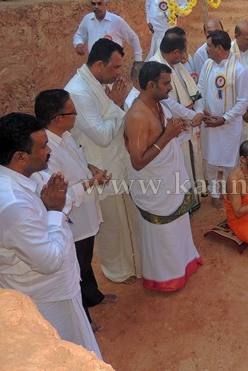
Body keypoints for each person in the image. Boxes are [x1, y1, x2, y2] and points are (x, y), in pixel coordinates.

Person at [0, 113, 102, 358]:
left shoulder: (2, 170)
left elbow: (53, 196)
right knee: (68, 353)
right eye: (43, 146)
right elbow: (49, 262)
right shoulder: (12, 205)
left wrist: (55, 205)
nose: (50, 150)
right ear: (20, 157)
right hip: (46, 295)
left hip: (45, 286)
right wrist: (54, 212)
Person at [35, 89, 118, 332]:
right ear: (58, 119)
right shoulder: (46, 151)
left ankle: (93, 296)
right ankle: (84, 319)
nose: (77, 115)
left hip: (87, 213)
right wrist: (91, 182)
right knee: (77, 268)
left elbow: (79, 162)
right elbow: (59, 193)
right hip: (74, 220)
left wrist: (91, 169)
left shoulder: (66, 135)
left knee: (85, 261)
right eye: (72, 111)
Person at [65, 38, 143, 284]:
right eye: (116, 67)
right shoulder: (78, 91)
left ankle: (134, 265)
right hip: (100, 168)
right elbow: (101, 136)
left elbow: (110, 120)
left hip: (116, 164)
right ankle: (117, 271)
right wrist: (115, 104)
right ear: (99, 64)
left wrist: (112, 105)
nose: (120, 73)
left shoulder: (95, 83)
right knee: (111, 226)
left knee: (127, 219)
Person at [124, 61, 202, 291]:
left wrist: (175, 129)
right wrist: (168, 136)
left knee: (178, 228)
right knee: (164, 234)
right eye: (166, 83)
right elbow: (137, 162)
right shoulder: (137, 115)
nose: (170, 87)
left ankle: (184, 264)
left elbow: (159, 136)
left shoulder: (158, 103)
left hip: (169, 182)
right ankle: (166, 278)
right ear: (150, 85)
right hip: (155, 188)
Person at [150, 29, 206, 201]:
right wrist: (192, 115)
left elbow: (197, 93)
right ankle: (185, 203)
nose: (185, 55)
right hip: (174, 128)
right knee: (181, 164)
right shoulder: (155, 67)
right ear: (175, 52)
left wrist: (199, 111)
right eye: (183, 51)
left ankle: (196, 195)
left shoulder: (179, 67)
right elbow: (167, 101)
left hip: (190, 122)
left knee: (193, 157)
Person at [198, 30, 248, 208]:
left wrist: (224, 118)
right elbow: (199, 89)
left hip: (228, 126)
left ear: (219, 48)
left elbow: (243, 102)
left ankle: (229, 193)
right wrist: (202, 110)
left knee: (230, 163)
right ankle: (214, 194)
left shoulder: (239, 70)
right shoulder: (207, 65)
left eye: (209, 46)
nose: (206, 50)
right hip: (209, 125)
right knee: (211, 162)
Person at [73, 0, 143, 62]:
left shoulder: (116, 21)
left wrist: (138, 59)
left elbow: (133, 38)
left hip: (112, 65)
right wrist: (79, 43)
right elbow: (79, 35)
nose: (96, 7)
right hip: (94, 64)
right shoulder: (87, 19)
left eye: (99, 3)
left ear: (106, 4)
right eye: (93, 4)